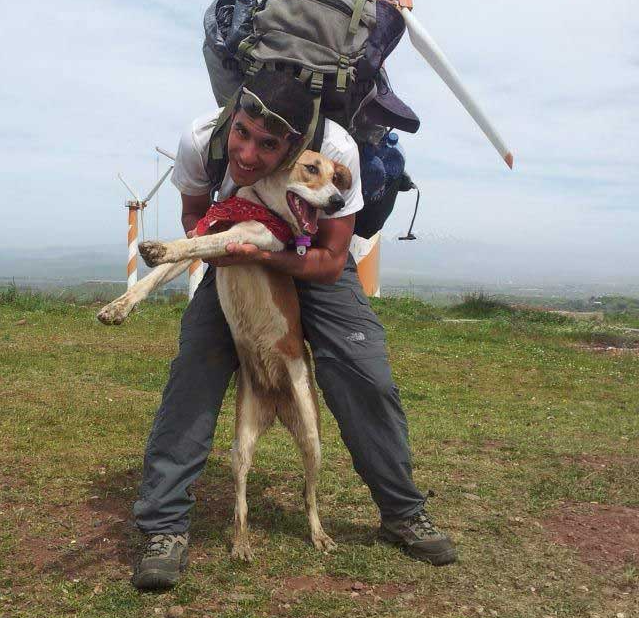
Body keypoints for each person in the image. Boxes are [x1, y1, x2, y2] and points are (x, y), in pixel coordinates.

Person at [132, 69, 456, 589]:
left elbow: (329, 260)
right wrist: (233, 246)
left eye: (268, 145)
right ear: (231, 116)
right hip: (238, 247)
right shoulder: (201, 139)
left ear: (297, 145)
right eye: (241, 133)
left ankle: (402, 511)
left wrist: (272, 254)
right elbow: (197, 215)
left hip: (308, 257)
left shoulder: (336, 151)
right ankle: (164, 528)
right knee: (197, 365)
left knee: (362, 370)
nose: (247, 155)